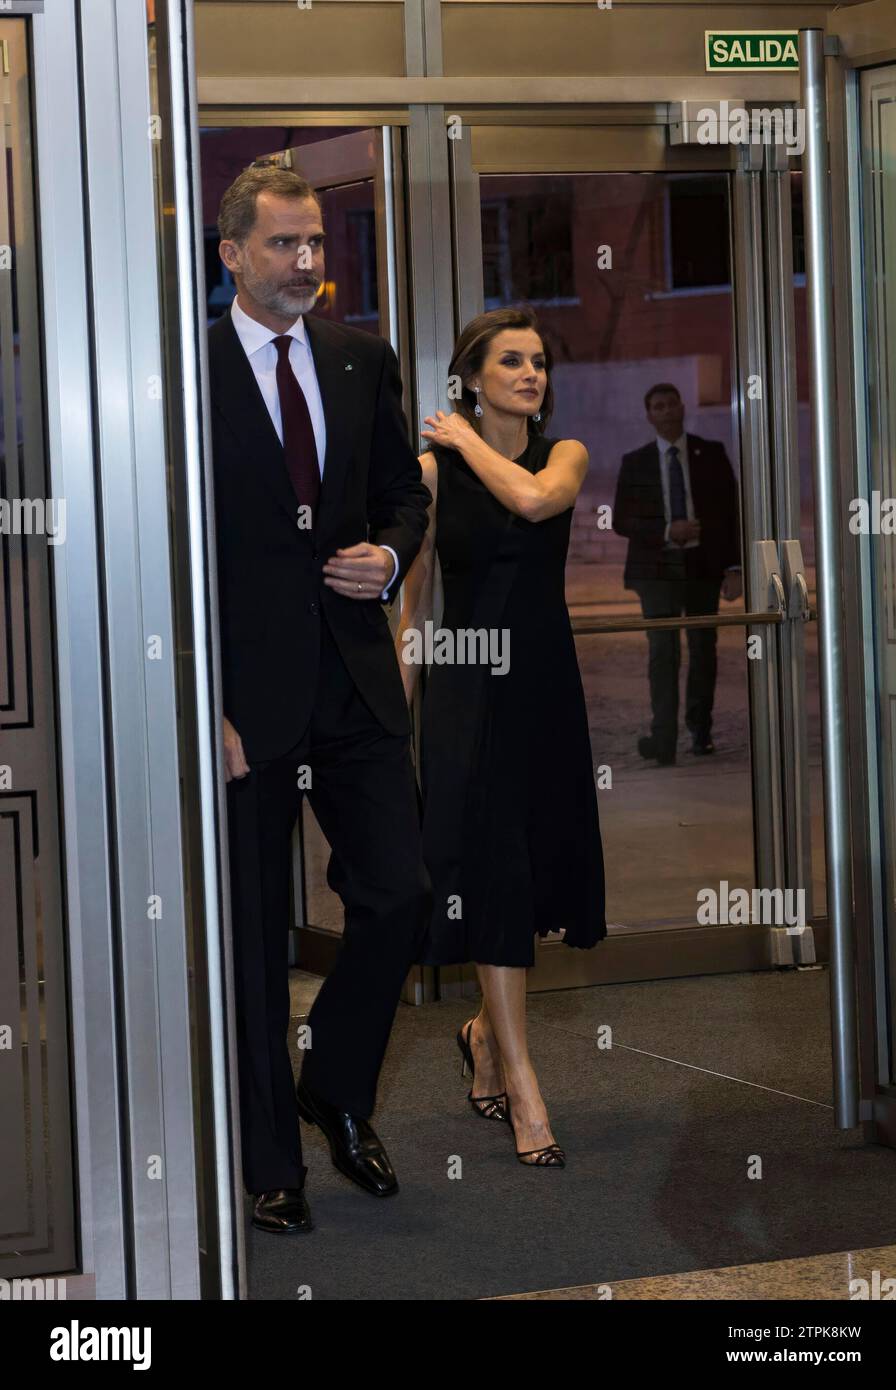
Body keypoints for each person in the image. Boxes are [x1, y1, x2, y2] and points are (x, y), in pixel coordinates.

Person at [210, 166, 432, 1234]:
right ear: (233, 255)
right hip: (240, 708)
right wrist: (195, 704)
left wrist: (388, 557)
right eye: (286, 244)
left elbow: (404, 490)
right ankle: (269, 1167)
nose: (308, 263)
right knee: (252, 937)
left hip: (352, 679)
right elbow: (161, 547)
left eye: (315, 245)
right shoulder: (180, 371)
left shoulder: (358, 359)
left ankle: (333, 1087)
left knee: (400, 892)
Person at [396, 307, 606, 1168]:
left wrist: (462, 438)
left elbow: (529, 499)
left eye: (539, 363)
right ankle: (522, 1084)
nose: (530, 374)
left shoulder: (564, 456)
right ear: (473, 376)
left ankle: (484, 1032)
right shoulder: (431, 474)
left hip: (546, 690)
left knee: (537, 869)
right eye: (510, 362)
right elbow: (410, 612)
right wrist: (386, 718)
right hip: (467, 694)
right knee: (494, 875)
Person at [612, 384, 742, 766]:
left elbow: (730, 513)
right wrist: (670, 531)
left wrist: (733, 568)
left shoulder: (711, 454)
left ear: (682, 408)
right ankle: (663, 738)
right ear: (649, 415)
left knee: (704, 651)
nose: (666, 411)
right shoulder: (635, 462)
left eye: (671, 404)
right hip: (656, 572)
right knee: (662, 654)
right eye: (658, 406)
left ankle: (700, 733)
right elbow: (621, 520)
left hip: (702, 569)